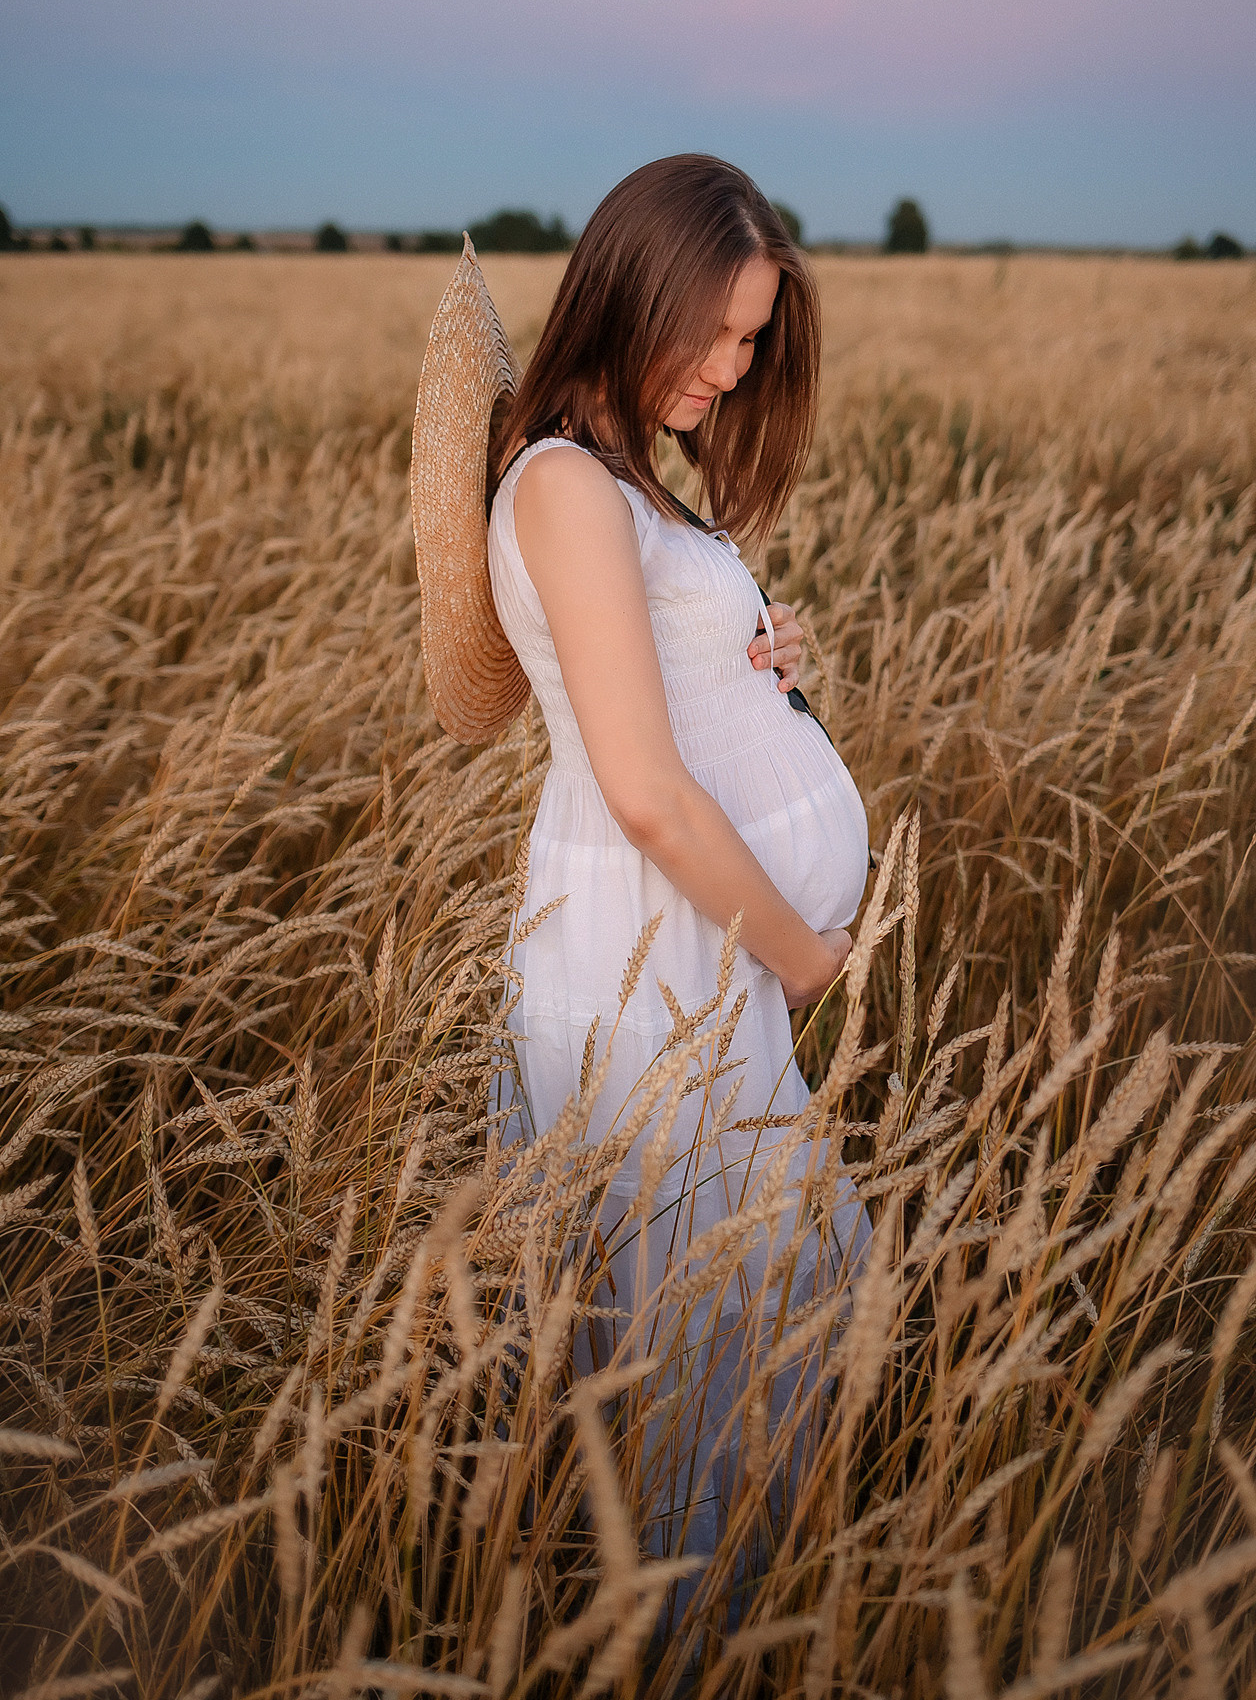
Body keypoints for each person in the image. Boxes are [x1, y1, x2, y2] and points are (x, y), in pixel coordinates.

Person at [410, 152, 872, 1600]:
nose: (732, 370)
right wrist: (806, 958)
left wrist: (758, 658)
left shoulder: (626, 476)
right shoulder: (561, 484)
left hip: (696, 944)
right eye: (714, 334)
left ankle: (734, 1619)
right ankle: (686, 1640)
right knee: (695, 1337)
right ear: (630, 290)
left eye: (752, 339)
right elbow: (647, 792)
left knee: (736, 1314)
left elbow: (670, 700)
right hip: (652, 942)